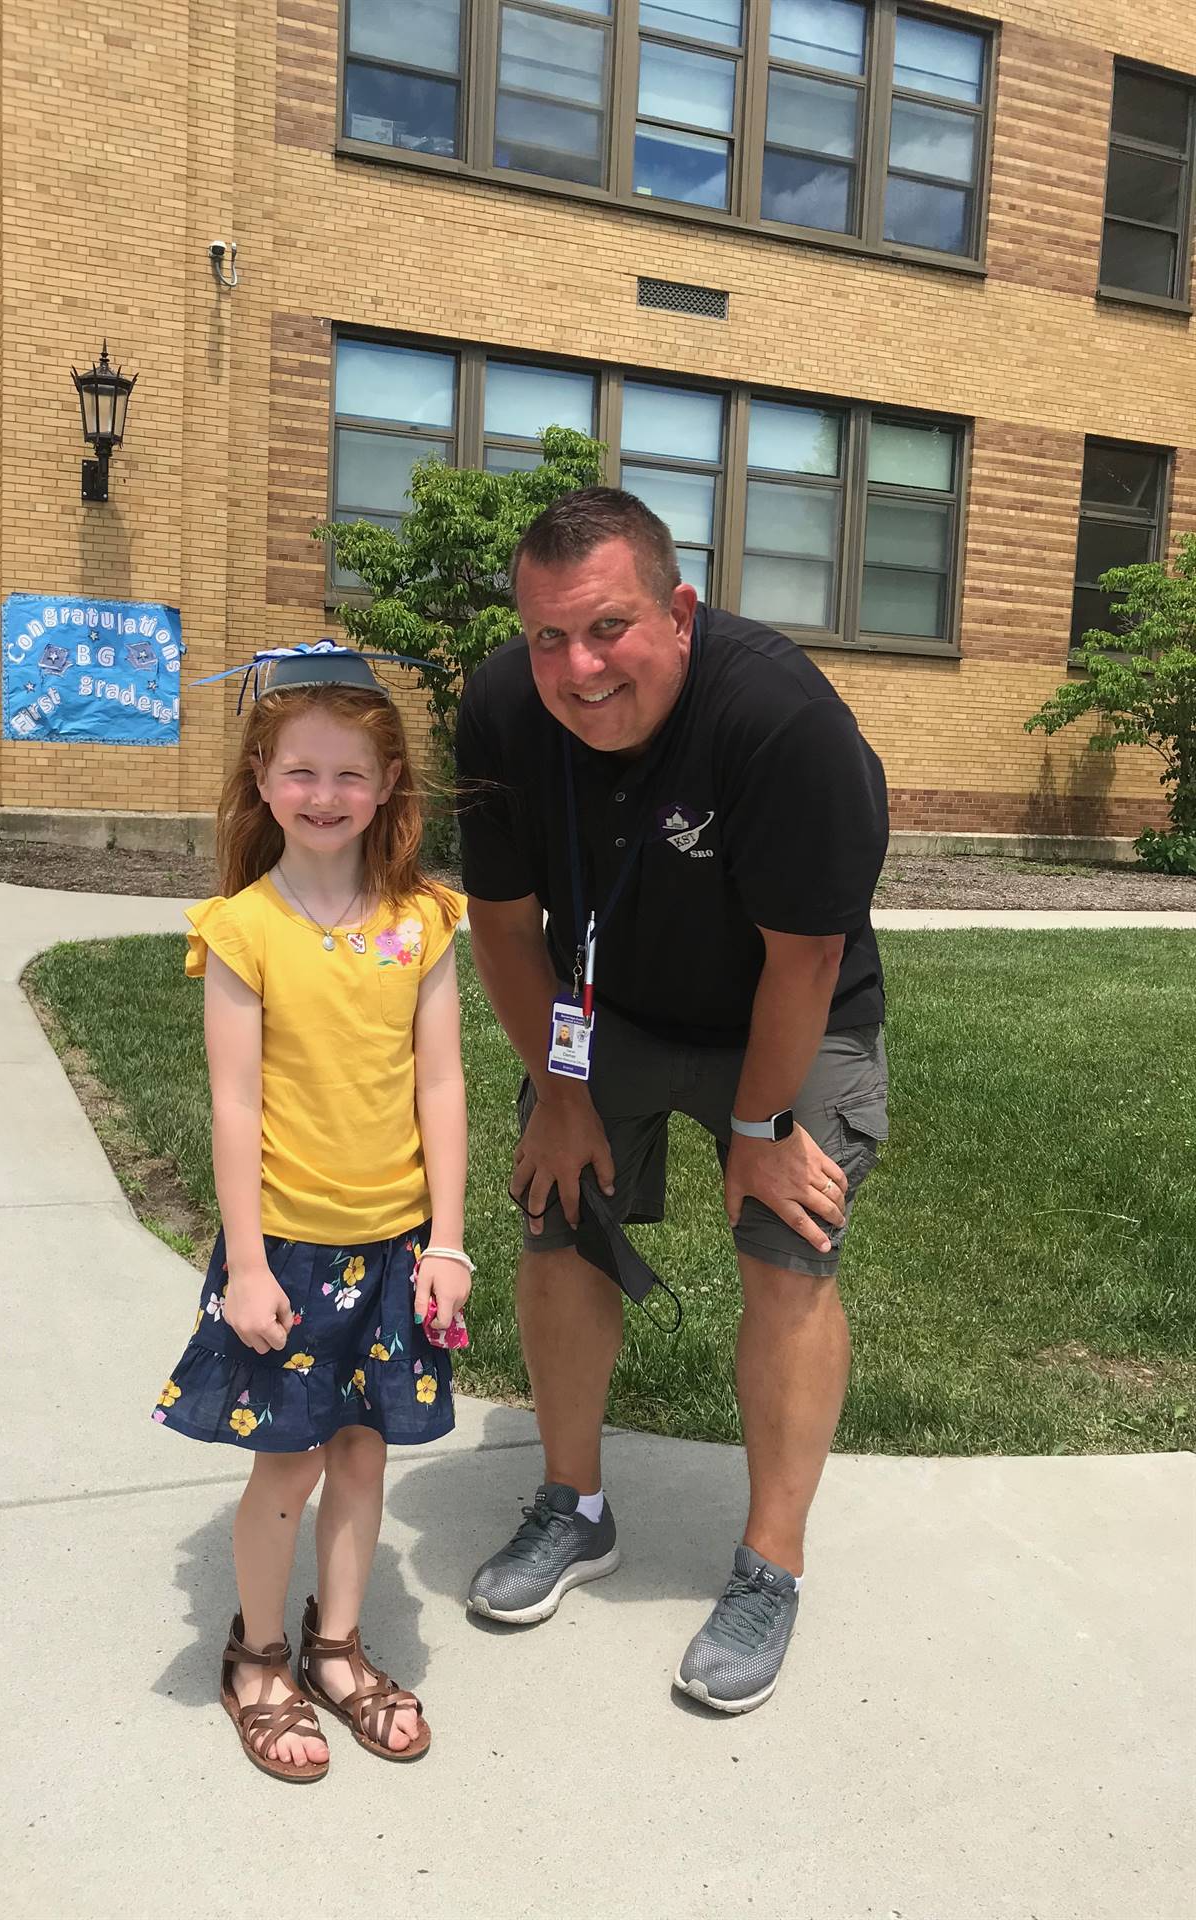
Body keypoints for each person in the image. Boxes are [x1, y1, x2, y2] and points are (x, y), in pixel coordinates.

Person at [455, 488, 889, 1714]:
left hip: (789, 1006)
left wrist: (758, 1132)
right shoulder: (499, 707)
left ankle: (770, 1567)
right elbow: (499, 924)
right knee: (559, 1216)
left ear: (680, 611)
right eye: (547, 637)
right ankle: (572, 1505)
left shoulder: (780, 720)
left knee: (788, 1248)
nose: (577, 670)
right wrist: (559, 1091)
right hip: (611, 1008)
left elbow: (803, 958)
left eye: (607, 630)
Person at [154, 647, 469, 1781]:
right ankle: (260, 1656)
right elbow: (232, 1105)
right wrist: (245, 1262)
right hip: (284, 1252)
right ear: (262, 776)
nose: (325, 795)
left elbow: (442, 1086)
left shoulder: (426, 921)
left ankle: (337, 1646)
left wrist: (446, 1241)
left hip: (394, 1251)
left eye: (349, 774)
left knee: (364, 1454)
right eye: (302, 771)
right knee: (285, 1467)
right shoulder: (243, 929)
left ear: (387, 786)